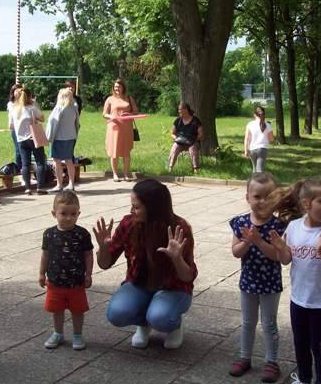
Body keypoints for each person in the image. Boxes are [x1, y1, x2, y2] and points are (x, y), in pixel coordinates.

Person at [267, 178, 321, 384]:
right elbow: (286, 260)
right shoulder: (293, 227)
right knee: (300, 342)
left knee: (318, 345)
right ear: (306, 203)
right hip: (298, 299)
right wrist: (280, 248)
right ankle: (303, 380)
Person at [94, 179, 197, 349]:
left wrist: (177, 258)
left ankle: (173, 325)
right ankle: (144, 324)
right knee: (116, 314)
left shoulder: (179, 228)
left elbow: (187, 277)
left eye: (136, 207)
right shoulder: (129, 224)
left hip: (173, 288)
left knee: (160, 317)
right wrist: (103, 248)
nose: (131, 211)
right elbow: (104, 264)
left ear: (153, 208)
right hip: (138, 283)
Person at [228, 172, 285, 383]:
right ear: (248, 198)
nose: (262, 201)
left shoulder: (279, 225)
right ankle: (245, 357)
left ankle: (272, 361)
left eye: (268, 197)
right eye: (257, 196)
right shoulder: (241, 223)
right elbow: (236, 252)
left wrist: (259, 241)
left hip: (271, 283)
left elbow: (278, 256)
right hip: (248, 282)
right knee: (247, 322)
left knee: (269, 323)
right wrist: (247, 242)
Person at [39, 190, 93, 350]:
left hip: (76, 282)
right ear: (54, 213)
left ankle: (78, 334)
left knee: (77, 310)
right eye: (63, 213)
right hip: (55, 281)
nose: (69, 218)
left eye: (73, 214)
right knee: (56, 310)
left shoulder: (82, 234)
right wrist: (41, 273)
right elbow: (45, 255)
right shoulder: (49, 234)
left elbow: (88, 255)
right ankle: (58, 333)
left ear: (78, 214)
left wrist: (89, 274)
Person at [9, 87, 48, 195]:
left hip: (21, 139)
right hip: (33, 137)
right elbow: (42, 118)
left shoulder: (14, 110)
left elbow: (11, 126)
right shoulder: (31, 108)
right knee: (40, 162)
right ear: (29, 97)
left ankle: (27, 188)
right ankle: (40, 187)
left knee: (25, 164)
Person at [46, 88, 80, 192]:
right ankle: (71, 183)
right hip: (71, 137)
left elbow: (52, 123)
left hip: (59, 138)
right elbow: (77, 123)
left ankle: (59, 184)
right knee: (69, 160)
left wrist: (48, 137)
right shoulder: (74, 108)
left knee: (57, 161)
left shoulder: (59, 108)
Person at [103, 78, 137, 182]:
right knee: (115, 151)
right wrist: (111, 116)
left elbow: (136, 112)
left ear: (123, 87)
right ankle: (115, 174)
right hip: (114, 128)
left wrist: (129, 114)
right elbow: (104, 114)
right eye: (115, 87)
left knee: (126, 152)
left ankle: (126, 174)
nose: (117, 88)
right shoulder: (110, 99)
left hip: (127, 129)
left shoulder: (129, 98)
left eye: (119, 86)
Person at [168, 102, 203, 173]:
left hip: (192, 142)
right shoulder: (178, 120)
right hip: (180, 142)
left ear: (186, 110)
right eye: (179, 109)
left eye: (180, 109)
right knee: (175, 147)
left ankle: (196, 168)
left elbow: (200, 134)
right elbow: (172, 133)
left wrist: (194, 140)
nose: (179, 111)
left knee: (193, 148)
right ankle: (170, 168)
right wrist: (175, 138)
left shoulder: (195, 121)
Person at [244, 106, 274, 173]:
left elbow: (246, 138)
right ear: (264, 114)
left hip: (252, 149)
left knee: (254, 169)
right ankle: (259, 180)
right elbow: (271, 139)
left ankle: (253, 180)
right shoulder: (268, 125)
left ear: (254, 114)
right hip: (262, 149)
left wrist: (246, 150)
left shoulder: (250, 124)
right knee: (260, 170)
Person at [7, 83, 23, 172]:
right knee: (18, 150)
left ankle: (26, 168)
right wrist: (11, 125)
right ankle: (19, 169)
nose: (18, 93)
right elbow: (11, 116)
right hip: (15, 129)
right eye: (16, 91)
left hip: (25, 129)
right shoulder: (11, 104)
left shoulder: (26, 103)